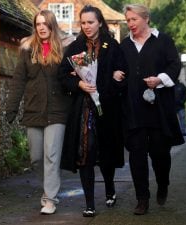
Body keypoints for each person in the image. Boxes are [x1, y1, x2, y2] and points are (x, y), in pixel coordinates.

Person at [58, 5, 127, 217]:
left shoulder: (112, 45)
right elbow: (62, 74)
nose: (87, 26)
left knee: (106, 152)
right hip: (84, 110)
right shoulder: (76, 46)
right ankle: (89, 203)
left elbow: (122, 73)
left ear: (99, 22)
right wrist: (78, 84)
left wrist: (118, 77)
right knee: (85, 153)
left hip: (106, 108)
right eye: (83, 23)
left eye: (91, 22)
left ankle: (109, 188)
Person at [118, 3, 185, 215]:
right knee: (137, 155)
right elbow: (118, 69)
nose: (130, 24)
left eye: (133, 19)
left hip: (158, 110)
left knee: (160, 154)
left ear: (146, 18)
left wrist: (160, 79)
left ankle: (163, 182)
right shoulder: (124, 46)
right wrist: (117, 75)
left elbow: (175, 65)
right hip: (133, 109)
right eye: (127, 20)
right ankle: (142, 199)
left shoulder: (163, 41)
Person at [6, 10, 71, 215]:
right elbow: (18, 82)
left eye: (45, 24)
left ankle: (50, 198)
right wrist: (12, 108)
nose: (41, 27)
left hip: (58, 110)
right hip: (34, 110)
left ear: (52, 25)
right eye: (38, 24)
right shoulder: (27, 49)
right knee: (36, 157)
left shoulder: (65, 47)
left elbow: (82, 71)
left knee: (51, 155)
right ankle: (49, 190)